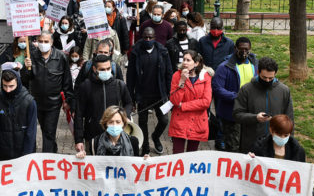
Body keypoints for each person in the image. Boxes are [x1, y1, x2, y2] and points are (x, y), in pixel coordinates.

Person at [248, 113, 314, 196]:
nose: (282, 138)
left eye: (286, 135)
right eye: (279, 134)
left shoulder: (297, 151)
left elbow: (303, 178)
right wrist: (248, 160)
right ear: (271, 130)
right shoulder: (259, 148)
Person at [22, 31, 75, 153]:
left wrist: (68, 100)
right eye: (40, 41)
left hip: (54, 103)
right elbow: (25, 79)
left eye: (46, 41)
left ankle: (47, 158)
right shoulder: (32, 56)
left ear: (51, 42)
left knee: (50, 132)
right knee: (46, 131)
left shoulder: (60, 57)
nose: (43, 44)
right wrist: (26, 68)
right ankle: (53, 150)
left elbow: (67, 80)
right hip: (37, 102)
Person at [233, 57, 294, 155]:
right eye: (264, 77)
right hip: (251, 144)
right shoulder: (246, 90)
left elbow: (290, 119)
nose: (267, 80)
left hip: (275, 144)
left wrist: (290, 143)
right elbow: (237, 114)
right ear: (258, 72)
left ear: (275, 74)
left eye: (271, 78)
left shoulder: (284, 91)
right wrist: (255, 118)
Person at [74, 55, 133, 154]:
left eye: (108, 68)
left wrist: (124, 116)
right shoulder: (86, 86)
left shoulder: (119, 85)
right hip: (92, 137)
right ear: (94, 69)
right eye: (102, 69)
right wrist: (79, 140)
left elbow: (129, 103)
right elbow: (79, 114)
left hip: (115, 137)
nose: (106, 71)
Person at [127, 27, 173, 155]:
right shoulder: (136, 52)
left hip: (160, 94)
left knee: (164, 120)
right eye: (145, 37)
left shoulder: (163, 51)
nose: (148, 40)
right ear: (142, 37)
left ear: (154, 38)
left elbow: (169, 73)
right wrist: (131, 99)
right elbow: (130, 77)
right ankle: (145, 147)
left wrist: (169, 93)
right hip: (142, 95)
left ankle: (156, 137)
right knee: (143, 122)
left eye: (150, 37)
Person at [212, 37, 258, 153]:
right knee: (233, 145)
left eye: (246, 49)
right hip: (231, 113)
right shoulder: (224, 67)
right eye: (241, 49)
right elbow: (217, 88)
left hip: (250, 112)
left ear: (250, 49)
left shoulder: (255, 65)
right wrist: (236, 97)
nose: (244, 52)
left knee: (247, 144)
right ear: (235, 48)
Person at [168, 50, 212, 154]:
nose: (185, 62)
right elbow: (174, 100)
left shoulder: (205, 77)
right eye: (184, 60)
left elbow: (206, 102)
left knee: (192, 155)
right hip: (180, 121)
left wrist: (183, 105)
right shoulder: (177, 76)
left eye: (188, 60)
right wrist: (182, 81)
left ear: (196, 63)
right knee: (177, 155)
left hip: (197, 122)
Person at [0, 69, 37, 160]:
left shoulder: (29, 102)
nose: (8, 90)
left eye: (11, 86)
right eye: (5, 86)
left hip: (23, 153)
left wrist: (27, 154)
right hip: (3, 152)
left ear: (18, 83)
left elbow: (31, 131)